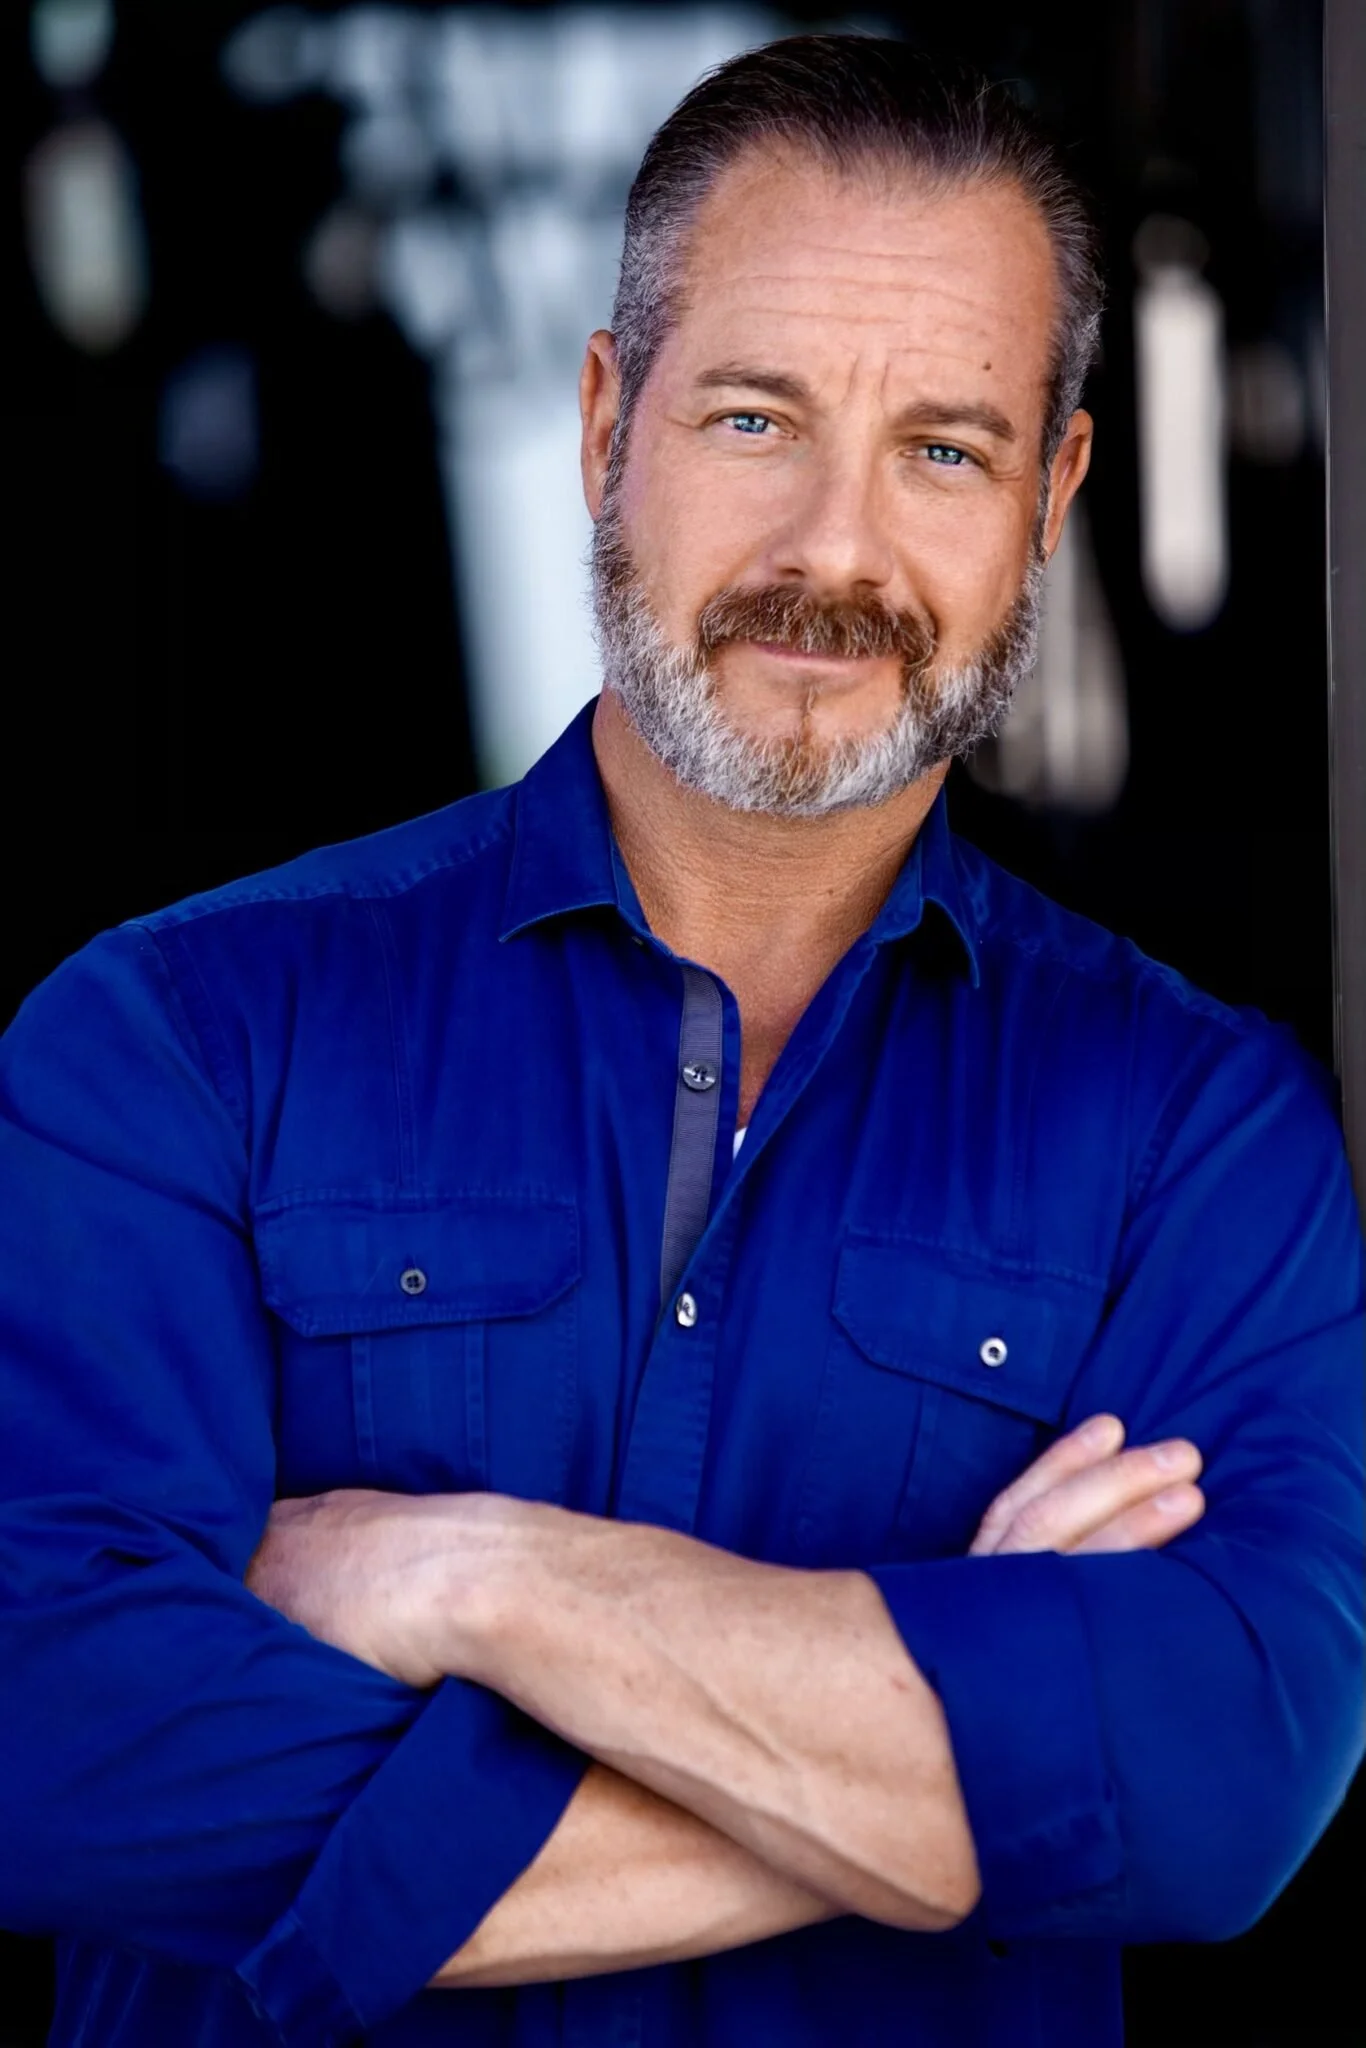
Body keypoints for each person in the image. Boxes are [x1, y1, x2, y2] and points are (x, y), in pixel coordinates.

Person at [0, 33, 1360, 2048]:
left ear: (1051, 496)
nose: (833, 552)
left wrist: (480, 1579)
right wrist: (977, 1751)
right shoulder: (172, 1039)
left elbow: (1223, 1772)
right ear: (601, 422)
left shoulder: (1197, 1136)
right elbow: (66, 1737)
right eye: (751, 418)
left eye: (943, 450)